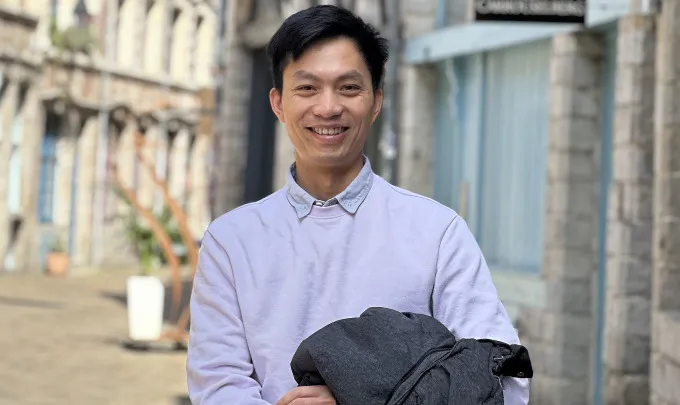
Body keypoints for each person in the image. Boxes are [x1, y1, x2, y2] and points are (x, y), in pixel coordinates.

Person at [186, 4, 529, 405]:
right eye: (307, 88)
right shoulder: (231, 241)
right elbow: (217, 383)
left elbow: (503, 376)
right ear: (278, 103)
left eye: (349, 88)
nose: (328, 107)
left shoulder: (436, 232)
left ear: (376, 101)